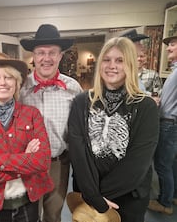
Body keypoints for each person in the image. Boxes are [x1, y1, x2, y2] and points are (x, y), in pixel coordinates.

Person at [68, 37, 159, 222]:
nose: (112, 66)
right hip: (88, 191)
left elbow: (139, 160)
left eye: (120, 60)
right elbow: (78, 151)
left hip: (128, 196)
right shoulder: (82, 102)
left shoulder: (145, 106)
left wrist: (100, 196)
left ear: (130, 64)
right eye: (107, 60)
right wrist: (92, 195)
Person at [0, 52, 54, 222]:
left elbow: (42, 162)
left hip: (27, 202)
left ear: (16, 83)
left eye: (9, 77)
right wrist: (25, 160)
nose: (3, 82)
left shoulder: (32, 115)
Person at [19, 24, 83, 222]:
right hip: (27, 165)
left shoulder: (73, 88)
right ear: (33, 56)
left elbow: (81, 129)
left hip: (58, 164)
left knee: (53, 215)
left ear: (60, 56)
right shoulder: (20, 88)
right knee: (28, 215)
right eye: (41, 53)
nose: (46, 58)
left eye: (52, 53)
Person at [147, 31, 177, 215]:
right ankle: (172, 195)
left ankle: (165, 202)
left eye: (173, 44)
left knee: (163, 165)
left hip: (169, 123)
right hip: (169, 122)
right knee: (172, 163)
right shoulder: (174, 70)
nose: (169, 48)